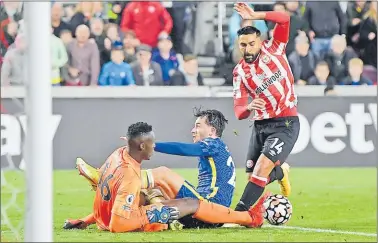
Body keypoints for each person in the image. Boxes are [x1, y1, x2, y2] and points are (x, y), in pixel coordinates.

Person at [63, 122, 271, 232]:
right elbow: (118, 224)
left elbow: (186, 150)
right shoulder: (130, 175)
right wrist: (152, 213)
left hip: (212, 206)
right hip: (200, 208)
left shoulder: (117, 155)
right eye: (152, 142)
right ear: (141, 145)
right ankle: (247, 218)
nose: (193, 129)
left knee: (156, 183)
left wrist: (87, 219)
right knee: (159, 186)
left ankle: (102, 177)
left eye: (198, 125)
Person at [231, 3, 300, 226]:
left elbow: (284, 19)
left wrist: (255, 15)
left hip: (285, 123)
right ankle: (279, 173)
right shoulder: (239, 73)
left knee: (261, 169)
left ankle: (238, 215)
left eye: (252, 43)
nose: (248, 49)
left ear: (260, 42)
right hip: (260, 125)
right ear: (238, 46)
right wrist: (249, 108)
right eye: (243, 45)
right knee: (254, 178)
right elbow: (239, 111)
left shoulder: (276, 48)